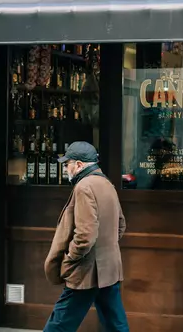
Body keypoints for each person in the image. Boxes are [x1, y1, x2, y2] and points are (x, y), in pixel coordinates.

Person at [43, 141, 129, 332]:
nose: (66, 168)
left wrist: (70, 259)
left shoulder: (84, 187)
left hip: (86, 270)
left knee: (59, 324)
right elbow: (120, 225)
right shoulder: (107, 183)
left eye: (67, 164)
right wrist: (105, 249)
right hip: (108, 269)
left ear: (79, 165)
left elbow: (85, 235)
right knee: (116, 324)